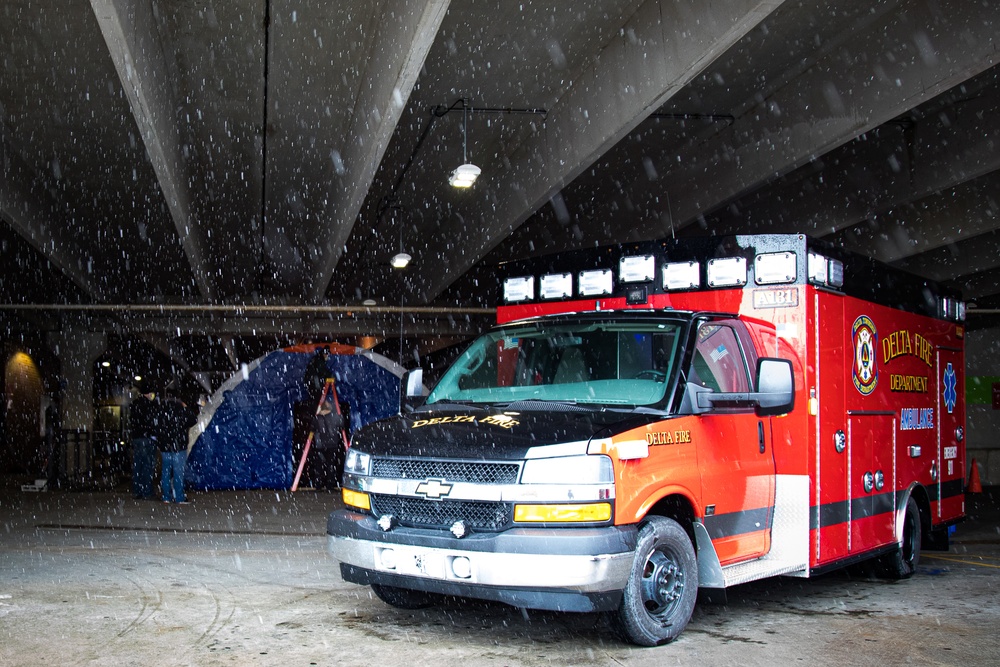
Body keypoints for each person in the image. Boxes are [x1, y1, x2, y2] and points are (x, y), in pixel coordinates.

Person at [155, 391, 196, 504]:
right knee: (178, 472)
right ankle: (179, 497)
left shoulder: (161, 410)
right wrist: (186, 407)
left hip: (165, 446)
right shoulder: (180, 409)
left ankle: (166, 496)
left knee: (165, 471)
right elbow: (193, 420)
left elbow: (156, 426)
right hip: (179, 445)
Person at [130, 382, 159, 499]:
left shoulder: (135, 404)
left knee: (138, 465)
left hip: (137, 437)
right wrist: (153, 433)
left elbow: (133, 421)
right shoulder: (150, 405)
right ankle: (147, 491)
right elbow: (151, 421)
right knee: (148, 466)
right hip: (147, 438)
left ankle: (137, 491)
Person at [311, 399, 346, 490]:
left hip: (322, 445)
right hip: (331, 444)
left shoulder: (317, 418)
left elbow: (312, 429)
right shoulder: (334, 417)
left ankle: (319, 485)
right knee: (330, 465)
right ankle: (329, 485)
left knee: (320, 465)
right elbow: (342, 425)